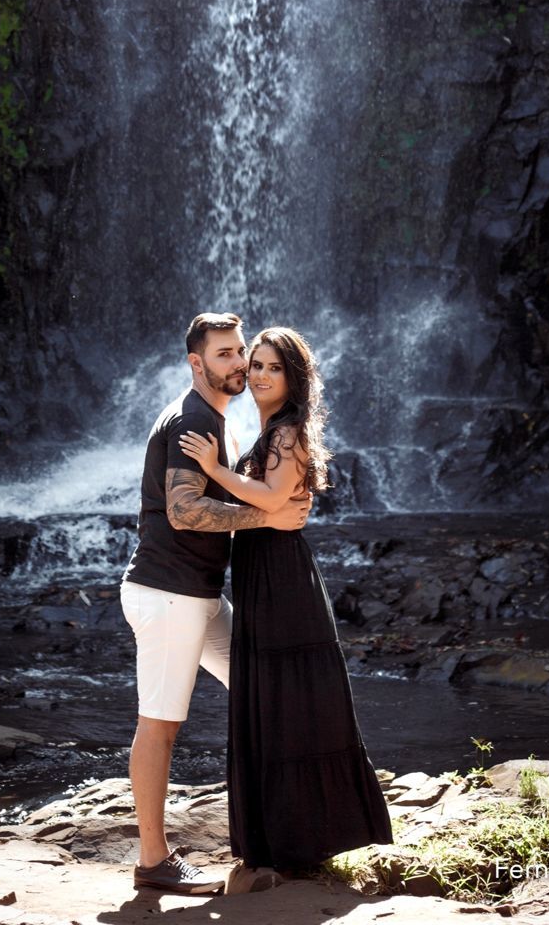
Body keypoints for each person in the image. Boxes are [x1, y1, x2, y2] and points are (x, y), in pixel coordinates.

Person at [179, 325, 392, 877]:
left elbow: (274, 499)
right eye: (256, 365)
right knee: (276, 700)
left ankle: (300, 839)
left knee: (285, 697)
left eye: (274, 367)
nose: (260, 375)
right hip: (266, 573)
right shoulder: (273, 429)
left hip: (280, 578)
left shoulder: (288, 431)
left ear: (294, 377)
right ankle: (286, 835)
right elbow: (271, 504)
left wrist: (213, 470)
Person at [120, 312, 312, 896]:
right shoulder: (192, 416)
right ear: (196, 363)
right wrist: (268, 514)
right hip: (168, 594)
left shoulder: (217, 419)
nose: (238, 365)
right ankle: (154, 861)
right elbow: (182, 509)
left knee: (265, 692)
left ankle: (283, 830)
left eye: (241, 353)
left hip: (198, 596)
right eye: (224, 355)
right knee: (160, 725)